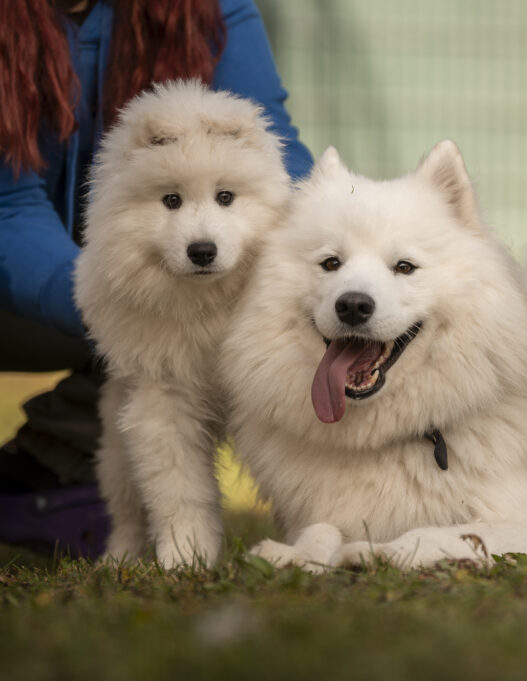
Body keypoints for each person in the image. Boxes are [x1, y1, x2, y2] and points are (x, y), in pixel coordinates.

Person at [0, 0, 314, 557]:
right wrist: (100, 293)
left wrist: (317, 249)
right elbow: (8, 206)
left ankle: (43, 474)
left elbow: (271, 141)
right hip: (40, 289)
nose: (201, 230)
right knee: (152, 387)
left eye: (222, 199)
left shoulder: (210, 8)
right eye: (172, 200)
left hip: (162, 293)